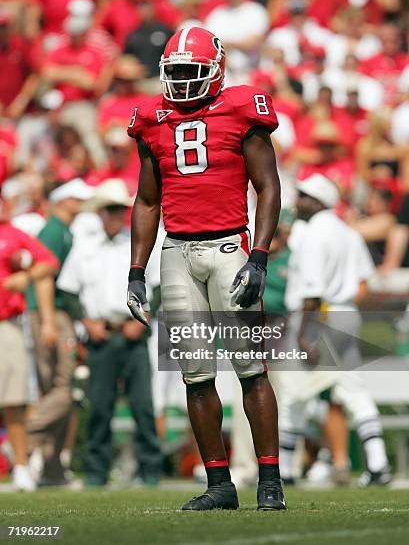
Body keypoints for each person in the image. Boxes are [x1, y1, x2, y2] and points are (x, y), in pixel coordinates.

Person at [127, 26, 285, 511]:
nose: (181, 82)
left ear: (216, 70)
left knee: (250, 369)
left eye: (190, 72)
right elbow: (148, 199)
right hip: (177, 253)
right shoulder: (150, 119)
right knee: (195, 374)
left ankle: (269, 479)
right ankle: (220, 484)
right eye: (173, 73)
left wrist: (259, 254)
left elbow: (268, 186)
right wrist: (136, 269)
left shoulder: (242, 108)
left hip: (229, 248)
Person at [279, 174, 391, 486]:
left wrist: (304, 333)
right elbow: (363, 282)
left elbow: (311, 293)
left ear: (317, 201)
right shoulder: (347, 232)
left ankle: (285, 470)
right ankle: (379, 463)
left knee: (294, 393)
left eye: (303, 196)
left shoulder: (315, 233)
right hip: (344, 313)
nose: (298, 201)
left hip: (320, 319)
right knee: (352, 390)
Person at [57, 179, 162, 487]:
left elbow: (157, 288)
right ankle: (96, 471)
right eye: (110, 210)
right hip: (101, 332)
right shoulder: (85, 247)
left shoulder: (139, 243)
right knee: (99, 406)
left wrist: (144, 317)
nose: (116, 215)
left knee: (143, 405)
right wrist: (85, 322)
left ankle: (150, 470)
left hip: (133, 331)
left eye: (119, 209)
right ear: (101, 213)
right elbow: (69, 291)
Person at [25, 178, 94, 486]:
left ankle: (51, 467)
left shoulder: (62, 230)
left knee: (57, 384)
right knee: (66, 386)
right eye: (76, 199)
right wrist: (50, 320)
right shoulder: (54, 231)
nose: (80, 204)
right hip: (50, 313)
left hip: (52, 313)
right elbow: (43, 277)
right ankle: (25, 431)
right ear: (64, 200)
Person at [0, 196, 58, 491]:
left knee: (13, 400)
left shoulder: (12, 233)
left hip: (5, 324)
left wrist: (24, 277)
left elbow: (48, 262)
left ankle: (21, 466)